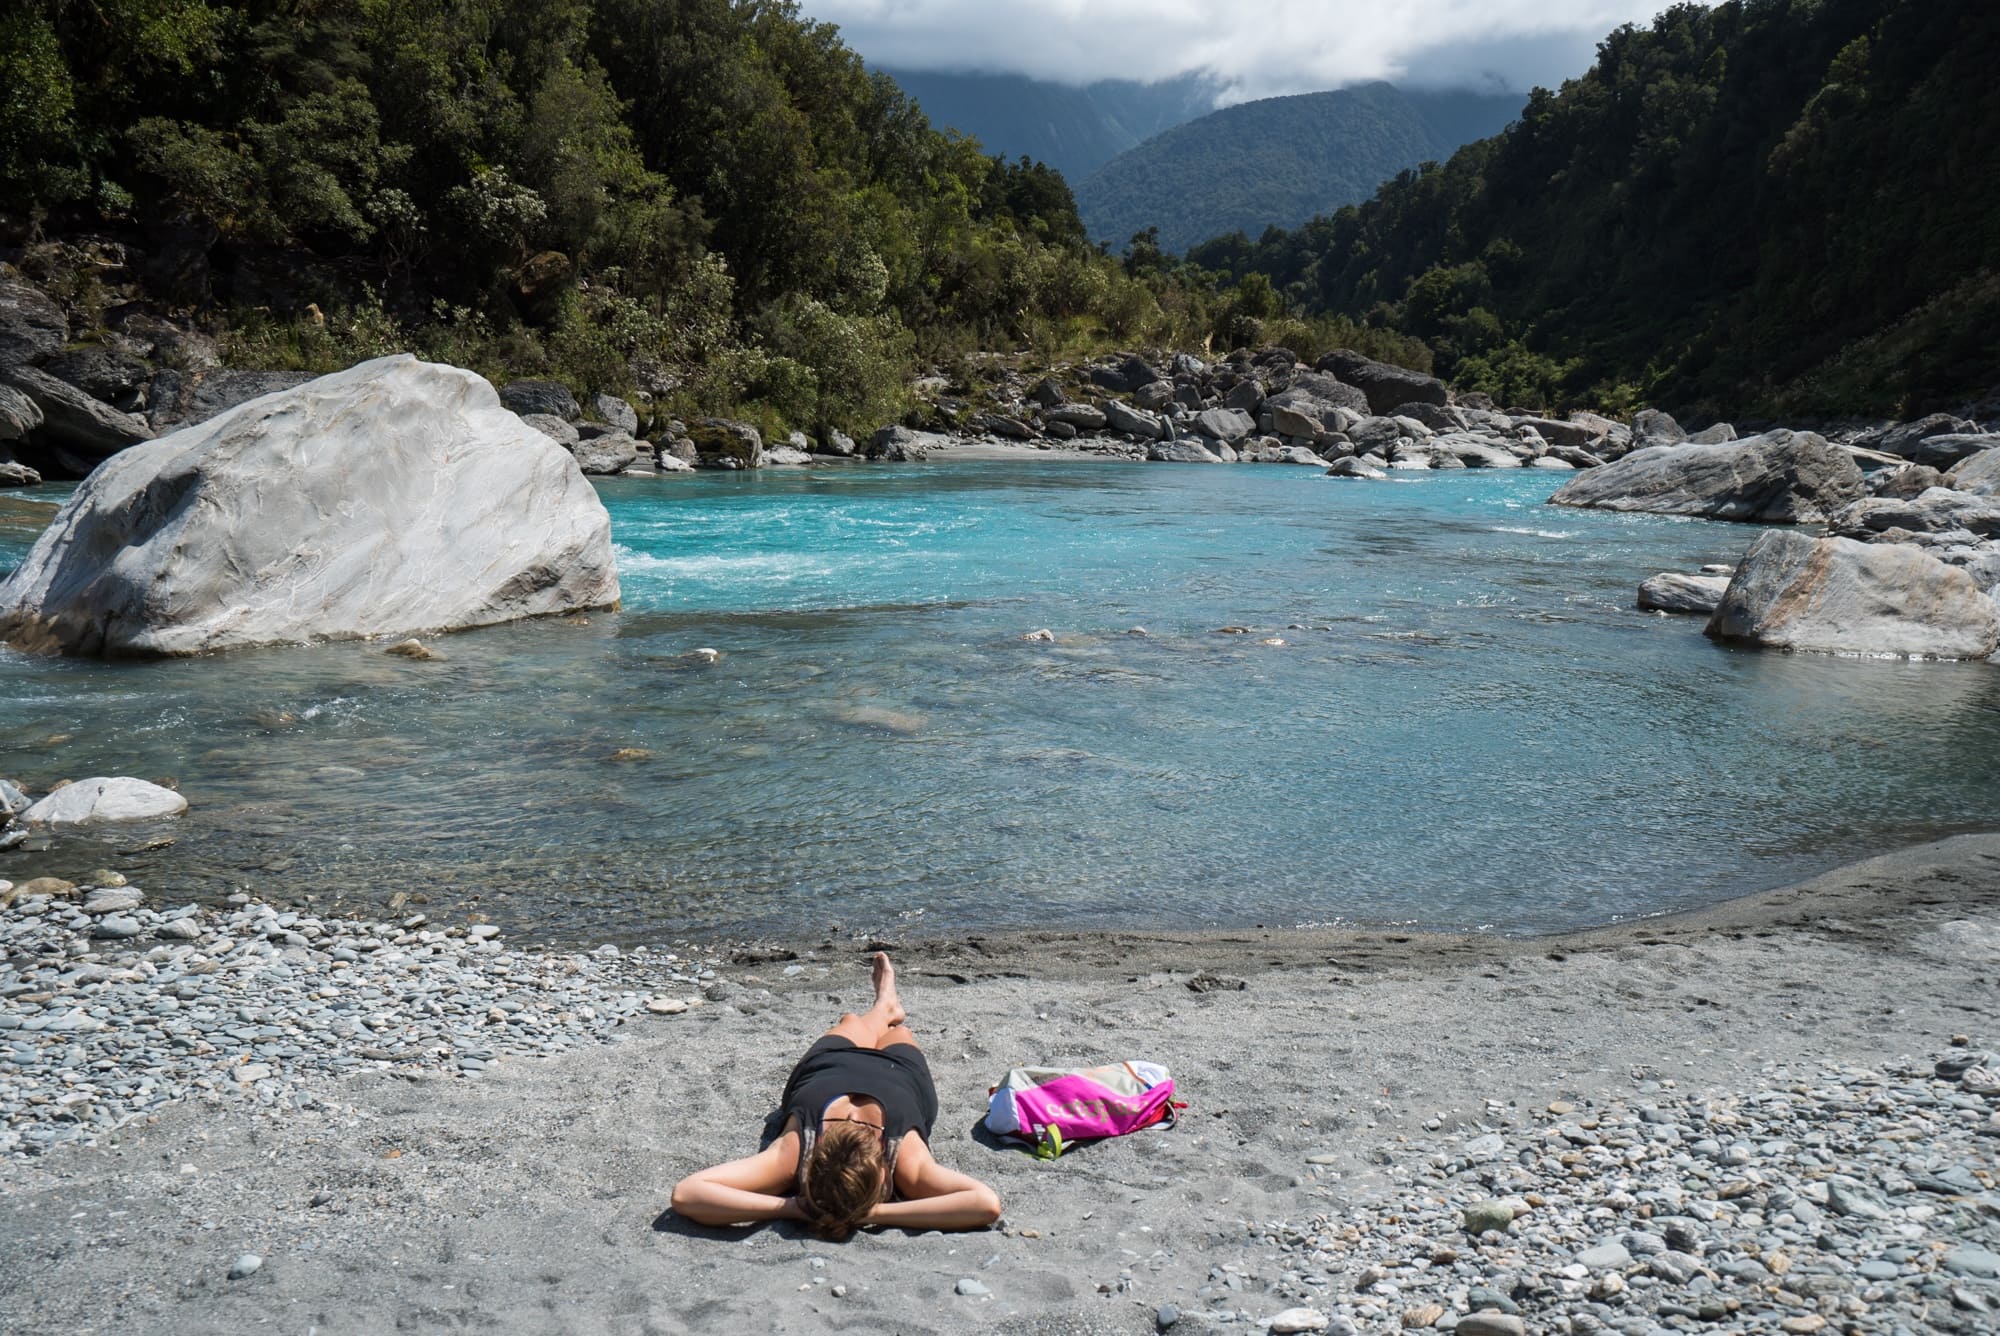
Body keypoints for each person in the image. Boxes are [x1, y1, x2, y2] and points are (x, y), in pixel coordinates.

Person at [671, 952, 1003, 1240]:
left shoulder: (793, 1153)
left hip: (831, 1065)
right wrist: (872, 1214)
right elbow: (984, 1204)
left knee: (853, 1021)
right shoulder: (904, 1159)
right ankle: (886, 1007)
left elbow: (689, 1195)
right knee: (897, 1031)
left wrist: (793, 1209)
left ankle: (885, 1005)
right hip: (897, 1071)